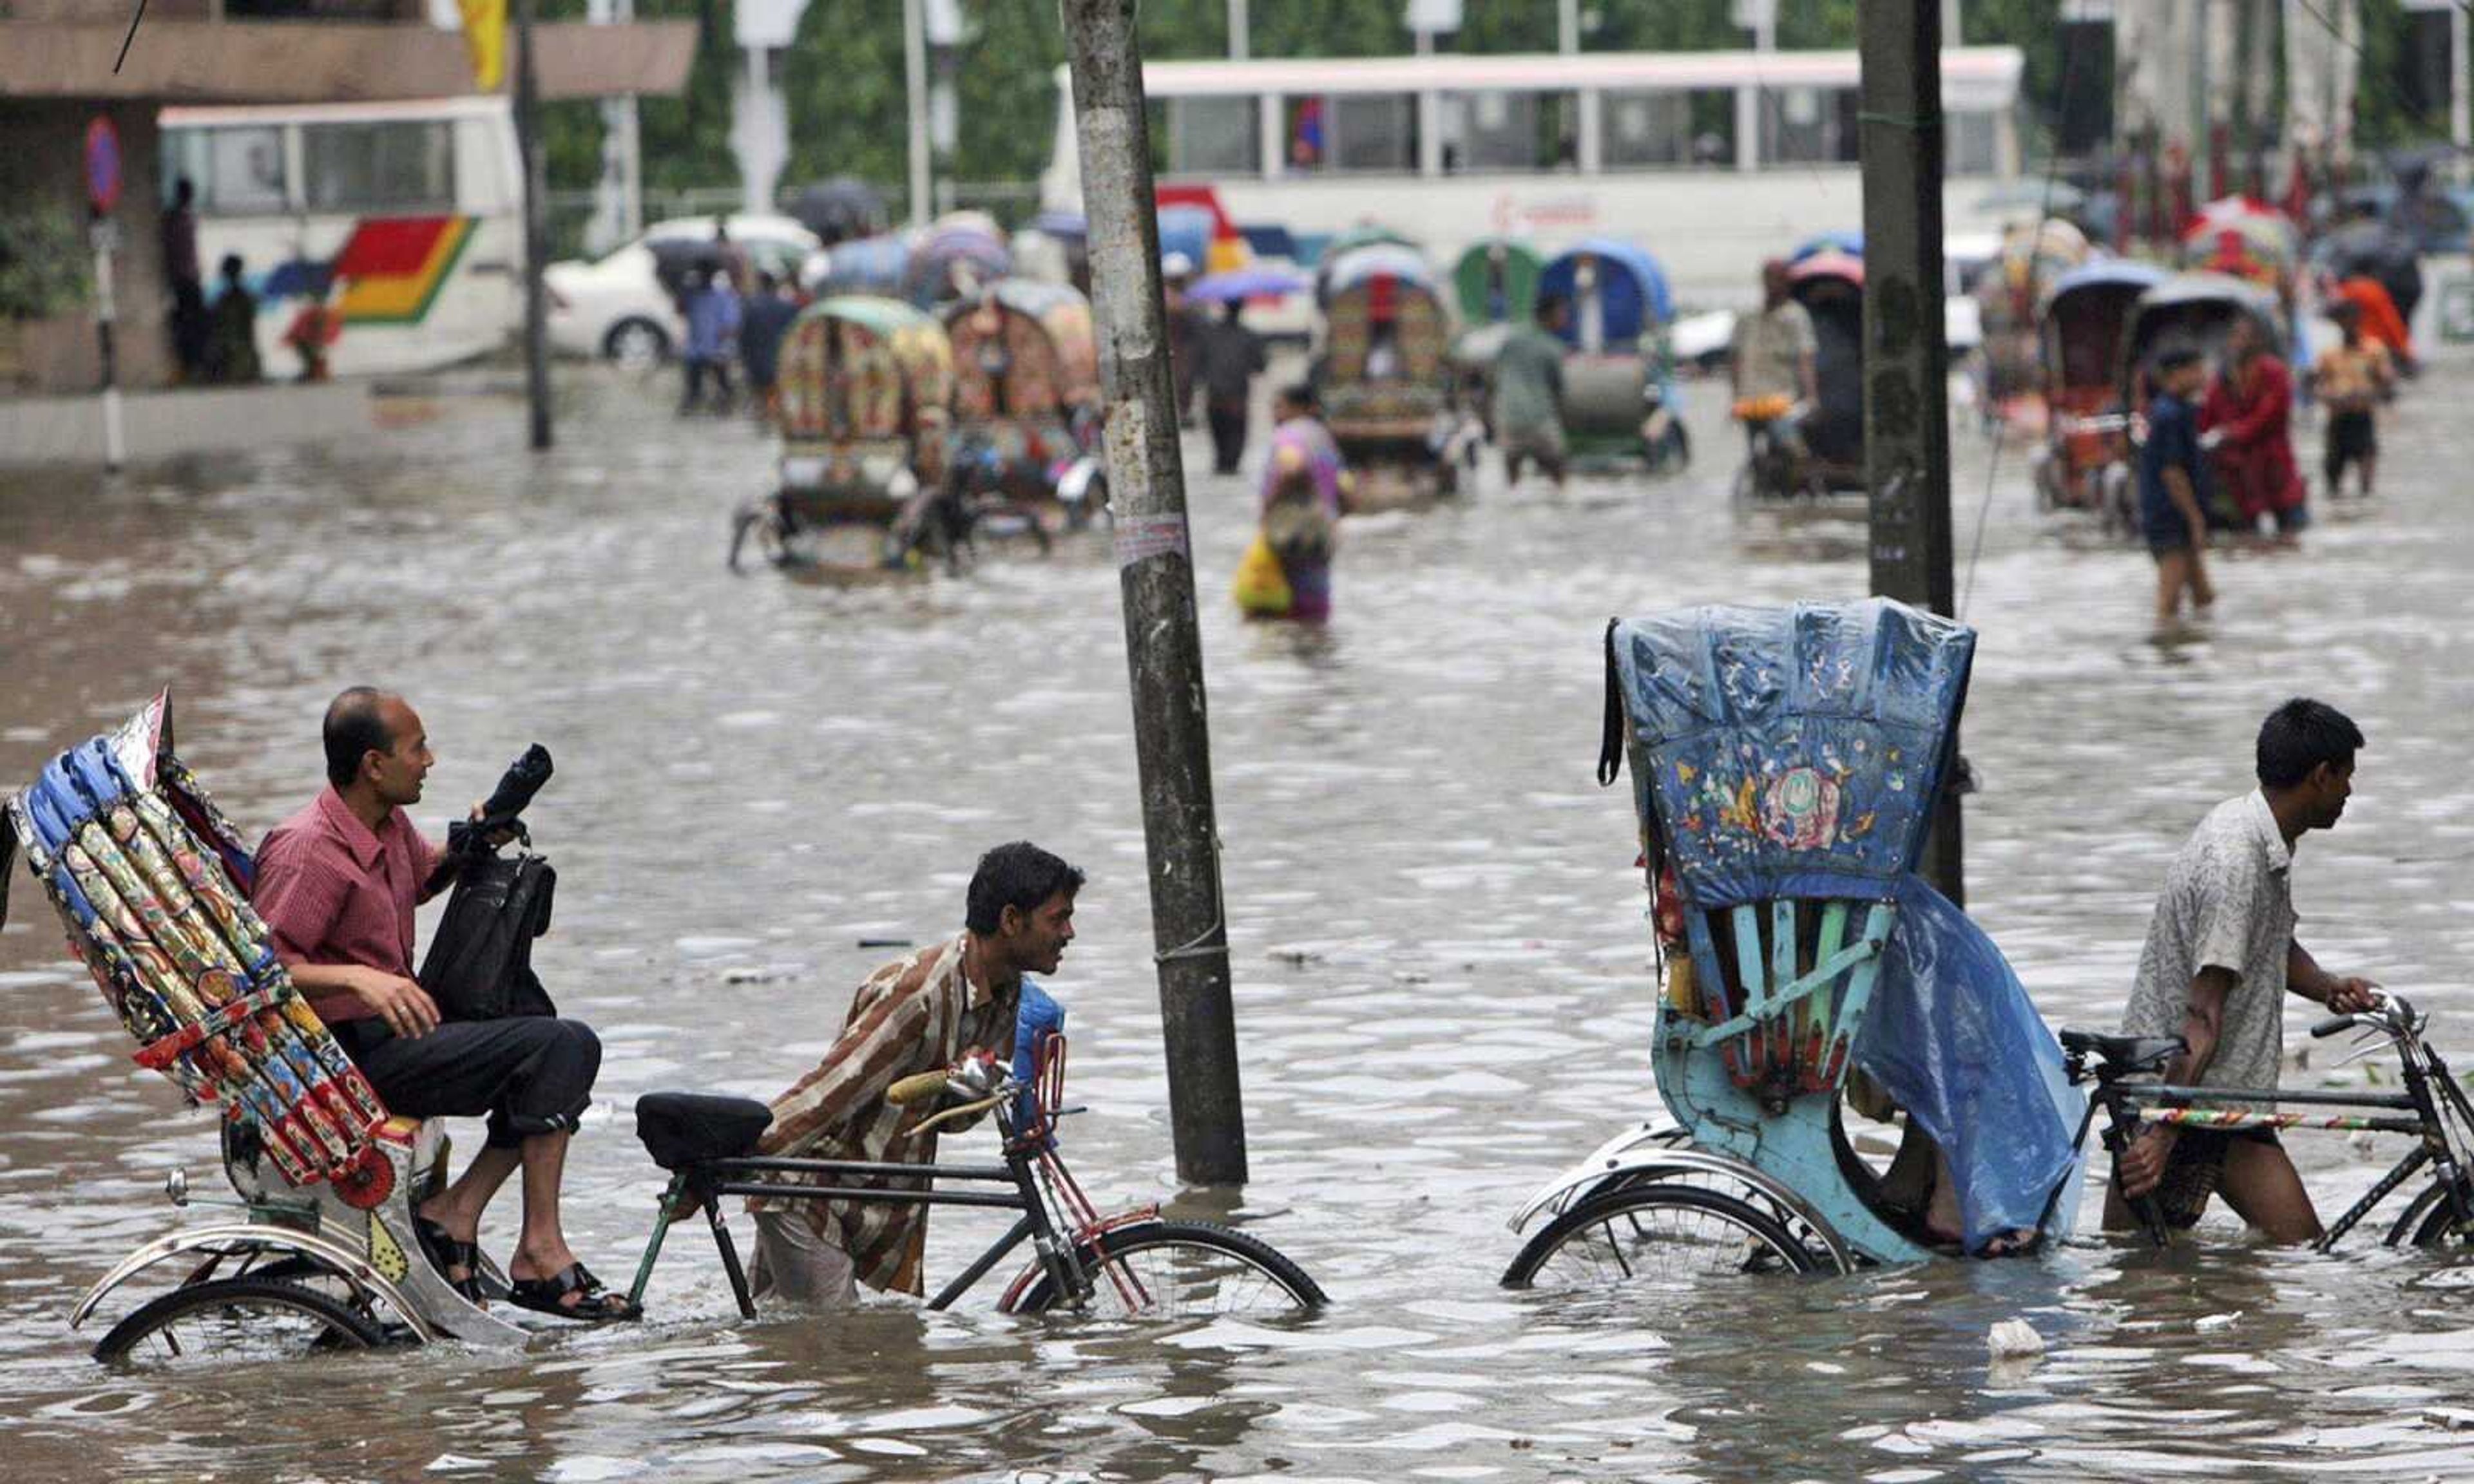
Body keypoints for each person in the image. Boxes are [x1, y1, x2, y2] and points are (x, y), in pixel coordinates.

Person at [251, 689, 631, 1319]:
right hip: (352, 1061)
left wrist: (475, 841)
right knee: (558, 1048)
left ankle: (457, 1214)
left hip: (400, 1034)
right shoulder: (307, 849)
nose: (430, 759)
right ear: (374, 764)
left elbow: (421, 874)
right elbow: (262, 975)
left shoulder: (386, 825)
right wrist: (362, 980)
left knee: (548, 1039)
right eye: (418, 747)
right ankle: (537, 1251)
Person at [747, 842, 1082, 1307]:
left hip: (870, 1193)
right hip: (813, 1193)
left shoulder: (1007, 997)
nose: (1069, 932)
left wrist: (974, 1083)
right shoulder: (918, 995)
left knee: (783, 1343)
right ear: (1011, 920)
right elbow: (828, 1094)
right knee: (843, 1351)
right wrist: (738, 1153)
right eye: (1057, 918)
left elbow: (949, 1120)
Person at [2107, 699, 2381, 1242]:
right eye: (2347, 778)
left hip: (2219, 1097)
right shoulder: (2236, 862)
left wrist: (2328, 987)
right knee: (2135, 1261)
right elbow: (2202, 1016)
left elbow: (2269, 945)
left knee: (2142, 1266)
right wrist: (2165, 1129)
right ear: (2321, 776)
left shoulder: (2262, 839)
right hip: (2184, 1096)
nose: (2350, 793)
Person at [2200, 312, 2306, 541]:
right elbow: (2208, 414)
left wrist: (2233, 433)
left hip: (2274, 463)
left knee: (2291, 532)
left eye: (2245, 337)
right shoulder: (2222, 377)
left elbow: (2271, 413)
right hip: (2238, 470)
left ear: (2258, 341)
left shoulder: (2274, 372)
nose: (2239, 343)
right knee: (2243, 535)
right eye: (2235, 337)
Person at [2138, 345, 2218, 627]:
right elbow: (2173, 473)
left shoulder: (2178, 410)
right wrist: (2195, 518)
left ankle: (2196, 651)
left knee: (2203, 596)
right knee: (2169, 602)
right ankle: (2165, 656)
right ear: (2178, 374)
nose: (2203, 376)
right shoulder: (2169, 414)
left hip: (2176, 515)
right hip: (2170, 517)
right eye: (2197, 370)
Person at [1252, 383, 1346, 623]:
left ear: (1299, 407)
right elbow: (1346, 489)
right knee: (1315, 606)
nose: (1274, 414)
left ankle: (1290, 654)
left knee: (1279, 606)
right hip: (1322, 530)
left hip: (1292, 530)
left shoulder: (1290, 434)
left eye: (1279, 407)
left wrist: (1268, 508)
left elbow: (1291, 468)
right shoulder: (1323, 436)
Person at [1728, 260, 1818, 457]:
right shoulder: (1749, 317)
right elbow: (1736, 358)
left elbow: (1805, 358)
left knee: (1787, 445)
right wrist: (1735, 396)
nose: (1771, 284)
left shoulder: (1795, 316)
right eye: (1768, 279)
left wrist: (1811, 396)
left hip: (1783, 399)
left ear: (1787, 282)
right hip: (1750, 398)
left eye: (1777, 279)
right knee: (1754, 454)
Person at [2310, 301, 2392, 500]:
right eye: (2344, 322)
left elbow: (2387, 385)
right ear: (2338, 324)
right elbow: (2315, 384)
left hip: (2363, 420)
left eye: (2352, 321)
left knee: (2366, 485)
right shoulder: (2329, 354)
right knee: (2333, 485)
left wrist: (2369, 394)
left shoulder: (2374, 350)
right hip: (2337, 422)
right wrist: (2328, 397)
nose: (2349, 326)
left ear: (2359, 322)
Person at [1492, 294, 1570, 489]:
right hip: (1539, 419)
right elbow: (1559, 390)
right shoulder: (1553, 348)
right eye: (1562, 312)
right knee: (1560, 482)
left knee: (1512, 485)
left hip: (1508, 418)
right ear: (1549, 314)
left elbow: (1494, 376)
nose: (1565, 317)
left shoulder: (1511, 340)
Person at [1193, 299, 1266, 476]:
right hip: (1237, 393)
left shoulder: (1210, 333)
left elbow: (1198, 362)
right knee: (1236, 429)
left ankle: (1222, 461)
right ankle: (1231, 462)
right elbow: (1260, 366)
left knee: (1218, 427)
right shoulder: (1249, 335)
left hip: (1215, 391)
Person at [162, 177, 207, 382]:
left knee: (194, 323)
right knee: (188, 325)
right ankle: (189, 365)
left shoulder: (184, 218)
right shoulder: (175, 219)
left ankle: (194, 365)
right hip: (183, 280)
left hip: (187, 278)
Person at [738, 269, 800, 419]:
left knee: (761, 391)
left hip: (757, 358)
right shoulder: (788, 307)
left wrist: (744, 357)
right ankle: (774, 414)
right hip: (780, 357)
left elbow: (744, 336)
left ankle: (765, 413)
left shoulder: (751, 308)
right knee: (776, 390)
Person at [680, 267, 740, 414]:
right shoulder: (693, 297)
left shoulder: (723, 297)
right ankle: (694, 398)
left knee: (721, 375)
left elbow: (731, 324)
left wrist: (721, 340)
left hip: (717, 346)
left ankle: (726, 401)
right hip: (697, 347)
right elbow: (682, 312)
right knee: (693, 372)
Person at [202, 254, 262, 386]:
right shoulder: (228, 299)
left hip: (238, 354)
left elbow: (246, 327)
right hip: (231, 353)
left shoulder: (240, 299)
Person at [1163, 253, 1203, 426]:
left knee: (1186, 382)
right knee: (1176, 382)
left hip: (1186, 347)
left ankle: (1183, 412)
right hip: (1174, 346)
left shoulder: (1189, 295)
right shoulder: (1168, 297)